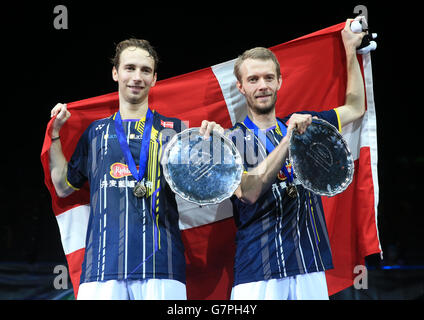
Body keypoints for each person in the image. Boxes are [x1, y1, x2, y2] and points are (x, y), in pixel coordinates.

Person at [49, 39, 221, 300]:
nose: (137, 77)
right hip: (101, 269)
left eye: (145, 70)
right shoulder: (95, 133)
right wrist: (55, 137)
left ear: (154, 79)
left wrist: (215, 146)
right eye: (130, 68)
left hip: (161, 267)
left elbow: (202, 192)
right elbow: (62, 187)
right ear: (115, 73)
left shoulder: (175, 131)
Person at [228, 18, 367, 300]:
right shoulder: (228, 142)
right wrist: (289, 140)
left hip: (309, 264)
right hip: (257, 270)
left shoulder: (307, 126)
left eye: (269, 77)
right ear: (241, 87)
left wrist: (350, 50)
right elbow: (249, 192)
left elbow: (355, 107)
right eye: (253, 79)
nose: (262, 85)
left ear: (280, 80)